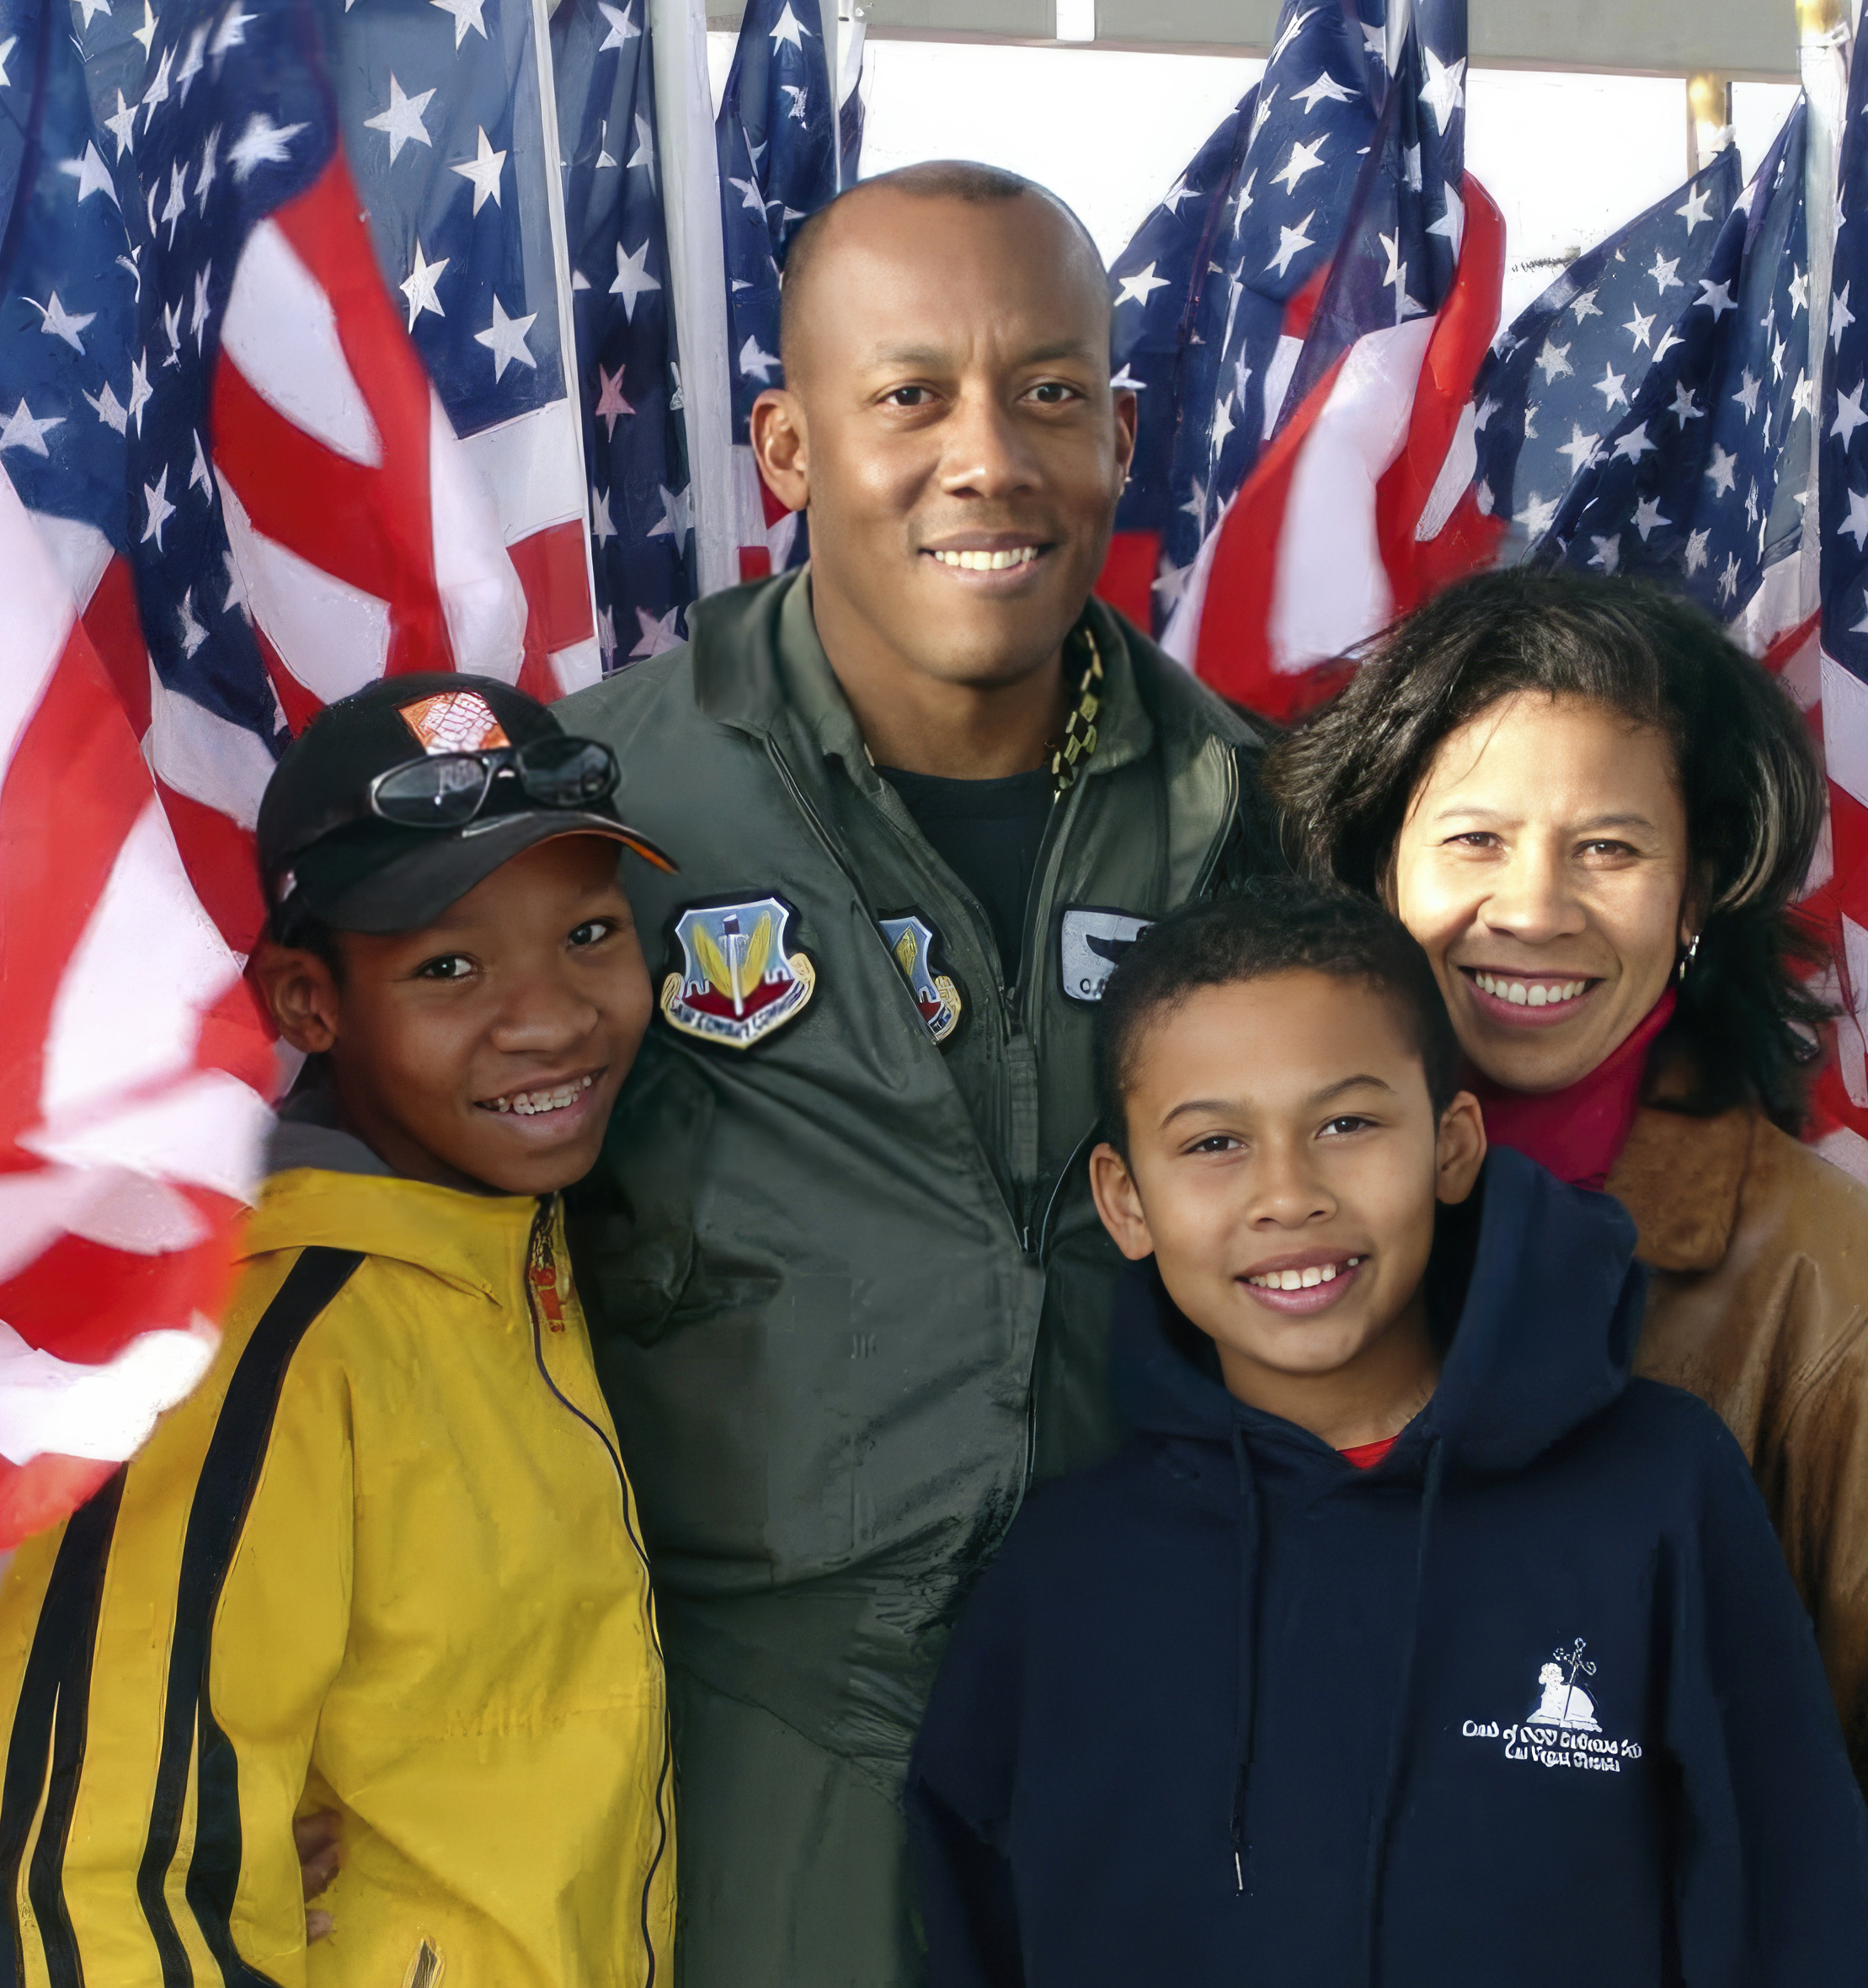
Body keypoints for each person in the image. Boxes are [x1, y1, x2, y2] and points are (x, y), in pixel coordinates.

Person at [554, 161, 1271, 1985]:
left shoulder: (1263, 820)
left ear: (1117, 435)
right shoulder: (589, 819)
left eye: (1046, 392)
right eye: (908, 395)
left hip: (1171, 1731)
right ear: (788, 448)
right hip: (747, 1733)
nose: (987, 457)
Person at [1268, 568, 1868, 1988]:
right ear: (1375, 869)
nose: (1532, 908)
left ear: (1696, 893)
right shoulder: (1247, 1235)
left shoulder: (1838, 1295)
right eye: (1473, 839)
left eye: (1607, 850)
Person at [904, 882, 1868, 1988]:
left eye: (1346, 1123)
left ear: (1452, 1144)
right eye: (1215, 1141)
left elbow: (1788, 1912)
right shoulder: (1058, 1582)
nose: (1287, 1194)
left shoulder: (1656, 1492)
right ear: (1125, 1201)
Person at [0, 676, 677, 1988]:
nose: (551, 1014)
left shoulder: (527, 1262)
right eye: (447, 967)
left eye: (588, 933)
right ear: (306, 1004)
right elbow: (100, 1879)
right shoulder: (249, 1343)